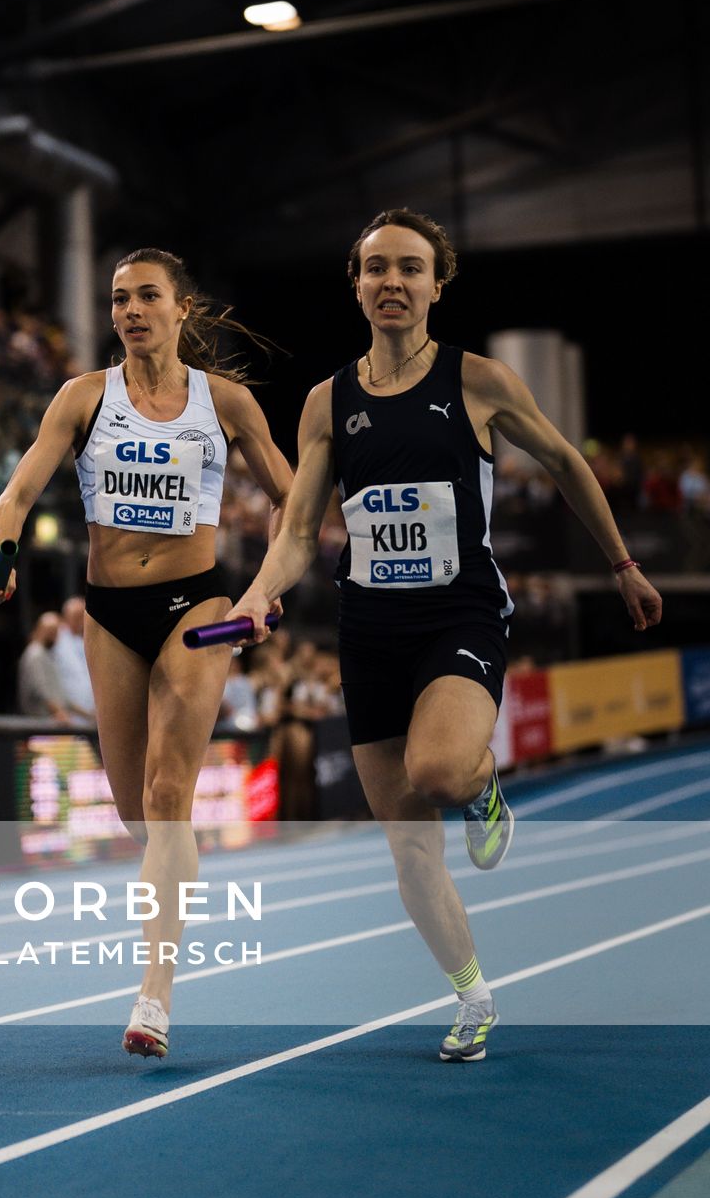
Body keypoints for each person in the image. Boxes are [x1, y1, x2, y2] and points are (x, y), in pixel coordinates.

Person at [229, 208, 662, 1063]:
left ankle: (487, 781)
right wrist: (257, 595)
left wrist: (621, 564)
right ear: (355, 284)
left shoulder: (479, 381)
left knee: (438, 770)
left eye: (410, 268)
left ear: (437, 283)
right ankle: (473, 996)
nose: (392, 281)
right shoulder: (327, 402)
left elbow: (568, 462)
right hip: (369, 626)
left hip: (460, 612)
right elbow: (297, 528)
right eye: (376, 267)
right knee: (409, 840)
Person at [0, 248, 292, 1057]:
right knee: (136, 813)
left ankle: (154, 995)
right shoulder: (84, 398)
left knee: (167, 790)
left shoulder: (226, 402)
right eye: (119, 299)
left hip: (199, 606)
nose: (130, 310)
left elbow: (298, 503)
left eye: (147, 296)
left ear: (182, 308)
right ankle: (171, 887)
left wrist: (264, 592)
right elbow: (16, 495)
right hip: (110, 613)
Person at [17, 611, 72, 725]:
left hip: (51, 721)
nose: (57, 636)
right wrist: (60, 712)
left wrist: (87, 715)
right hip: (42, 723)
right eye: (55, 631)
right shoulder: (35, 653)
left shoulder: (46, 654)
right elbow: (41, 690)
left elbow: (60, 695)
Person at [51, 594, 96, 723]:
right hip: (66, 717)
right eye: (76, 616)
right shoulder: (56, 638)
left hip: (91, 718)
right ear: (65, 617)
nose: (80, 621)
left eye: (82, 616)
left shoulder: (88, 640)